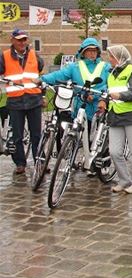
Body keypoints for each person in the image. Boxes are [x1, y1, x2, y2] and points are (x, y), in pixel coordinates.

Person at [38, 38, 111, 153]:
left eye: (94, 51)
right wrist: (42, 80)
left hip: (99, 107)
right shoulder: (75, 67)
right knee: (78, 136)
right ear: (83, 52)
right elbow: (59, 75)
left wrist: (99, 95)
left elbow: (110, 83)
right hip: (81, 107)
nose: (92, 53)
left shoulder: (105, 67)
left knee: (98, 141)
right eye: (89, 50)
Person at [100, 45, 132, 194]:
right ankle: (124, 179)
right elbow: (108, 92)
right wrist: (103, 101)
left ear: (120, 58)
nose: (110, 60)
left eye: (112, 57)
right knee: (114, 151)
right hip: (115, 115)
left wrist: (118, 96)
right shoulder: (111, 73)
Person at [0, 29, 44, 174]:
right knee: (17, 135)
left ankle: (39, 161)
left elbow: (39, 74)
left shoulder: (34, 55)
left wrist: (42, 96)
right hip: (15, 101)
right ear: (12, 40)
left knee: (36, 134)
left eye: (24, 39)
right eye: (19, 40)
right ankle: (20, 163)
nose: (22, 42)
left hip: (34, 99)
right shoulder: (5, 56)